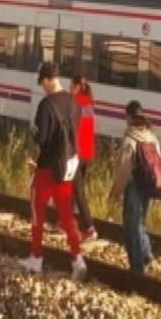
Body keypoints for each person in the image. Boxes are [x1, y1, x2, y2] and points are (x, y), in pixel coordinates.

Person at [18, 62, 87, 280]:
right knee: (66, 213)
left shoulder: (46, 105)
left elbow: (42, 138)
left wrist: (34, 134)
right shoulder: (74, 103)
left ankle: (36, 257)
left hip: (47, 167)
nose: (42, 87)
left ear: (48, 79)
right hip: (67, 167)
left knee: (37, 209)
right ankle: (77, 259)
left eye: (42, 82)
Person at [110, 100, 161, 274]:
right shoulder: (152, 137)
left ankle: (137, 267)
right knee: (140, 223)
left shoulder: (130, 138)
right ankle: (146, 254)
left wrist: (115, 191)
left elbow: (124, 169)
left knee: (131, 226)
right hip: (149, 185)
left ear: (129, 117)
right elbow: (158, 163)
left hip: (134, 186)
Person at [70, 75, 97, 241]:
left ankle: (89, 227)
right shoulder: (89, 103)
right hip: (89, 154)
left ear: (76, 87)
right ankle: (66, 220)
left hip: (78, 153)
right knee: (75, 189)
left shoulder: (74, 103)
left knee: (78, 192)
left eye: (70, 86)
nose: (69, 89)